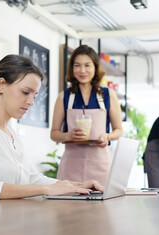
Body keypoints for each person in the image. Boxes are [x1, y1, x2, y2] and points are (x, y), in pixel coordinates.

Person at [0, 54, 103, 201]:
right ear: (1, 85)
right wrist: (47, 189)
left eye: (34, 95)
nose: (31, 102)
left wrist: (78, 185)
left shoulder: (12, 134)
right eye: (25, 92)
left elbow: (33, 178)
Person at [50, 45, 123, 185]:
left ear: (95, 67)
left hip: (100, 165)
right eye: (77, 65)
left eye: (87, 65)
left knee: (101, 205)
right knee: (68, 206)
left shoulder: (108, 95)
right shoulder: (63, 97)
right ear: (72, 68)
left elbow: (118, 130)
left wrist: (107, 136)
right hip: (71, 167)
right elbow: (54, 133)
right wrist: (68, 136)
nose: (82, 70)